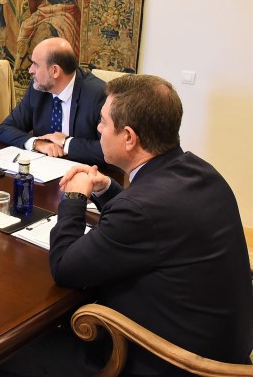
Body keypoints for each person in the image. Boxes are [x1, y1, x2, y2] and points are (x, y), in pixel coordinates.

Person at [50, 75, 253, 375]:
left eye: (104, 123)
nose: (98, 129)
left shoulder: (141, 208)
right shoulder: (201, 171)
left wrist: (75, 196)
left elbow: (65, 267)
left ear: (129, 137)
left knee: (33, 347)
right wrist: (106, 187)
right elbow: (149, 225)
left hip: (178, 362)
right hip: (226, 345)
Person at [0, 37, 106, 165]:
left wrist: (66, 143)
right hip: (45, 171)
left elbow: (108, 151)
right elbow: (4, 129)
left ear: (55, 71)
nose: (30, 70)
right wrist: (37, 144)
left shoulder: (97, 94)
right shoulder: (37, 89)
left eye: (35, 65)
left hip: (86, 174)